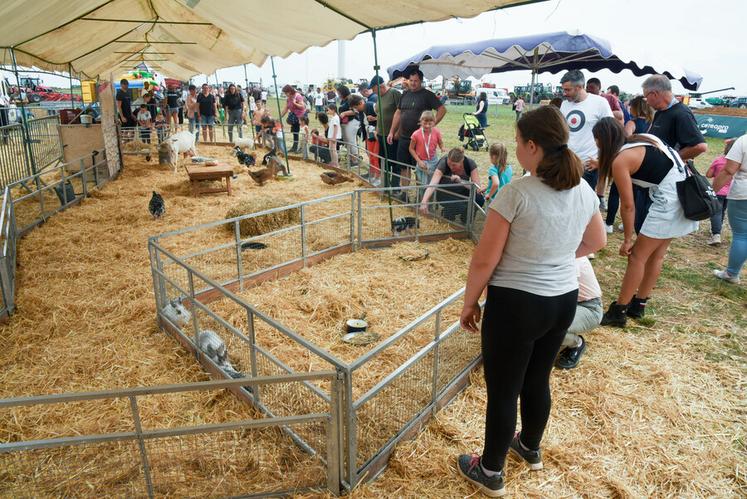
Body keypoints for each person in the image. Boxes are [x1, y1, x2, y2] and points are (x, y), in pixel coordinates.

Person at [456, 105, 606, 497]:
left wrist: (470, 303)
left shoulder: (515, 193)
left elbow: (484, 259)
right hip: (562, 300)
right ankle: (529, 446)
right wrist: (554, 256)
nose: (517, 147)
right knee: (537, 379)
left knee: (504, 390)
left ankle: (489, 470)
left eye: (520, 141)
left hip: (516, 305)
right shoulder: (583, 189)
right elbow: (596, 243)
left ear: (533, 146)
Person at [593, 117, 698, 327]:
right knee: (656, 256)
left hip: (668, 203)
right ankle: (638, 305)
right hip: (684, 198)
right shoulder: (644, 139)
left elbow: (628, 205)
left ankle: (619, 311)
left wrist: (627, 239)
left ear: (601, 141)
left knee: (637, 257)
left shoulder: (620, 160)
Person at [560, 70, 613, 212]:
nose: (564, 93)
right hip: (566, 163)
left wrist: (601, 161)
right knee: (564, 203)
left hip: (587, 166)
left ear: (579, 87)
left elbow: (610, 134)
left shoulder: (600, 103)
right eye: (563, 89)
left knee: (582, 207)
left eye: (567, 90)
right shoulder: (564, 105)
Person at [388, 68, 446, 197]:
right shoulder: (405, 94)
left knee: (421, 168)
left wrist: (432, 124)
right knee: (404, 166)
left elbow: (442, 109)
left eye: (416, 81)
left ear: (421, 81)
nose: (413, 83)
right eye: (411, 80)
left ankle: (422, 195)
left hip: (421, 140)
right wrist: (392, 131)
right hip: (404, 137)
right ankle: (404, 193)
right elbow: (398, 113)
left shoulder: (427, 95)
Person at [606, 96, 655, 233]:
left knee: (616, 192)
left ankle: (609, 223)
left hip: (629, 160)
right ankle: (629, 223)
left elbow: (626, 138)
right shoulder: (652, 123)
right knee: (635, 196)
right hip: (644, 163)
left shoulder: (632, 123)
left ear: (635, 108)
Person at [644, 75, 707, 161]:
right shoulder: (659, 112)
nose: (647, 102)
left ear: (654, 94)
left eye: (646, 97)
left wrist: (669, 160)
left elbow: (700, 146)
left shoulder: (682, 113)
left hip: (668, 172)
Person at [555, 256, 603, 369]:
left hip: (590, 308)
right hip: (569, 304)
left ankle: (576, 343)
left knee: (551, 326)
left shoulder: (573, 257)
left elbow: (563, 293)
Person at [712, 134, 747, 284]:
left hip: (743, 194)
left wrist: (711, 193)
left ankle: (732, 273)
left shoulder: (743, 141)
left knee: (741, 235)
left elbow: (728, 170)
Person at [419, 148, 484, 222]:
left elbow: (476, 188)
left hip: (461, 190)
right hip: (444, 192)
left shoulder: (469, 163)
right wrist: (424, 201)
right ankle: (447, 213)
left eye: (454, 165)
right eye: (449, 164)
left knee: (479, 198)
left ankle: (466, 217)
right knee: (460, 206)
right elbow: (432, 184)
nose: (451, 167)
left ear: (461, 162)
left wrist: (461, 181)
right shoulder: (443, 163)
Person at [370, 75, 401, 189]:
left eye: (374, 90)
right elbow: (379, 115)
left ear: (380, 86)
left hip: (393, 136)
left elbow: (401, 112)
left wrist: (397, 132)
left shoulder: (394, 93)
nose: (373, 92)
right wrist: (377, 130)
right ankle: (386, 184)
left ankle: (395, 185)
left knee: (395, 161)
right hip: (381, 135)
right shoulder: (379, 97)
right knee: (383, 160)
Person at [705, 141, 734, 246]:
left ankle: (716, 234)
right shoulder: (739, 163)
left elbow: (708, 174)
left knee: (716, 212)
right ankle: (717, 230)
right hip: (732, 192)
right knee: (722, 211)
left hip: (718, 190)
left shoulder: (719, 160)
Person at [408, 110, 444, 186]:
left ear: (434, 122)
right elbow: (411, 149)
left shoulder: (436, 132)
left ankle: (430, 197)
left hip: (433, 161)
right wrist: (419, 161)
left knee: (431, 183)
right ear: (421, 121)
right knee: (421, 182)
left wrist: (442, 147)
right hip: (421, 161)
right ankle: (420, 196)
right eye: (425, 123)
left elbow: (440, 142)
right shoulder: (416, 134)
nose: (427, 125)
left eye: (430, 123)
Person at [280, 84, 306, 153]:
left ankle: (301, 148)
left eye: (286, 92)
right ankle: (294, 147)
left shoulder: (298, 96)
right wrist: (280, 117)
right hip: (294, 116)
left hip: (300, 116)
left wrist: (295, 103)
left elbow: (302, 106)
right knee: (295, 132)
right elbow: (286, 108)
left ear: (290, 91)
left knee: (302, 132)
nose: (285, 94)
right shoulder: (288, 99)